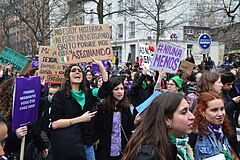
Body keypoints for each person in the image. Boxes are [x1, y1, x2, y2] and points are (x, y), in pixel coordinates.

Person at [50, 58, 111, 160]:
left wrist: (101, 67)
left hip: (87, 144)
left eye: (79, 71)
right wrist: (80, 119)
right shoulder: (60, 96)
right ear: (68, 77)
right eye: (73, 70)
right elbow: (55, 124)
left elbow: (105, 90)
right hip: (70, 146)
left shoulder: (89, 93)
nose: (77, 72)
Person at [122, 92, 195, 160]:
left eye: (189, 110)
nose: (192, 116)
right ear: (166, 119)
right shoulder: (147, 154)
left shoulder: (174, 146)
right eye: (184, 112)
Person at [0, 77, 48, 160]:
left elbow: (33, 130)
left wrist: (42, 146)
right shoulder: (3, 116)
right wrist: (16, 135)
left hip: (27, 154)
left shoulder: (26, 110)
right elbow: (4, 145)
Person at [94, 76, 135, 160]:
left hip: (121, 151)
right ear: (110, 91)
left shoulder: (126, 107)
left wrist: (137, 120)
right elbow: (95, 127)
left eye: (122, 89)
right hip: (105, 151)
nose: (120, 92)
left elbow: (130, 127)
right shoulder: (102, 107)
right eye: (116, 89)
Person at [191, 92, 237, 159]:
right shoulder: (195, 133)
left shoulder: (223, 130)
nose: (220, 114)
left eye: (222, 109)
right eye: (214, 110)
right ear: (202, 112)